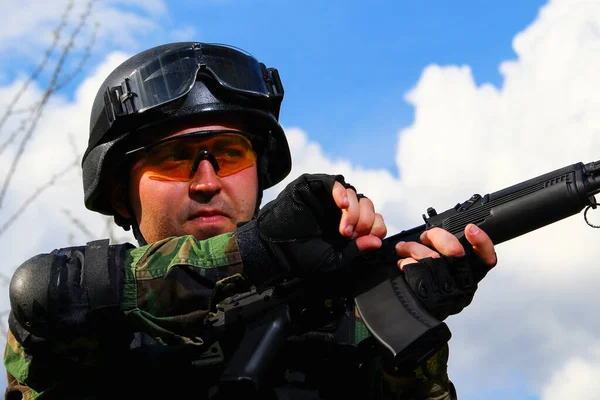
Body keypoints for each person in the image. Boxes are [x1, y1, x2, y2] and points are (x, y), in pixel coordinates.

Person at [3, 42, 497, 399]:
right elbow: (41, 291)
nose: (206, 181)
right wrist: (258, 251)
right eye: (176, 158)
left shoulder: (339, 321)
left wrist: (412, 335)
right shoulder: (82, 318)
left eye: (231, 154)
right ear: (120, 194)